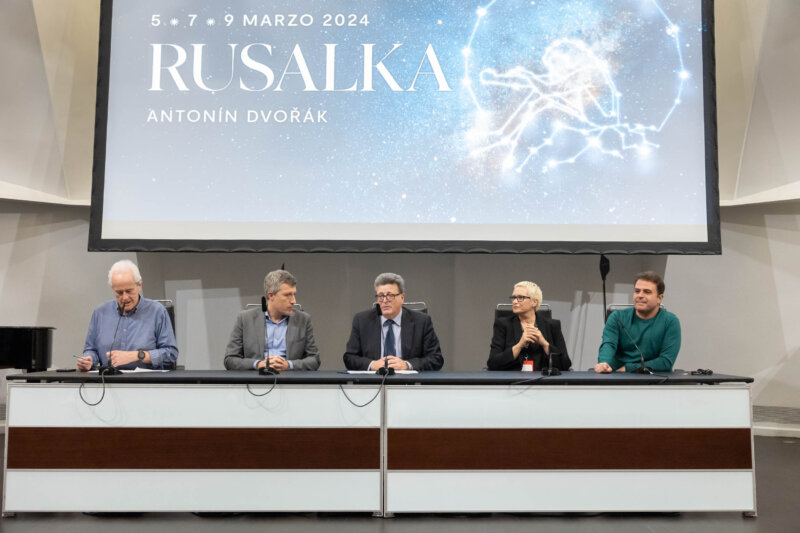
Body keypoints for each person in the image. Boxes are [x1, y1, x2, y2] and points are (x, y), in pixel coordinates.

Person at [77, 260, 178, 371]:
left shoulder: (157, 311)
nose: (125, 297)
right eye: (119, 292)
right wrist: (89, 360)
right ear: (113, 290)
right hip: (107, 382)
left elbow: (171, 353)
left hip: (146, 383)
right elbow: (91, 349)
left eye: (129, 291)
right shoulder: (100, 312)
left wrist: (137, 355)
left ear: (139, 285)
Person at [343, 273, 443, 371]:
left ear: (402, 298)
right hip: (373, 383)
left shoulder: (421, 322)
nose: (385, 300)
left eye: (390, 295)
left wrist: (407, 365)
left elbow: (436, 359)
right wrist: (372, 364)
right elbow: (350, 358)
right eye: (381, 296)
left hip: (408, 384)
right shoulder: (362, 321)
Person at [224, 269, 320, 371]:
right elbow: (230, 359)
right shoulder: (245, 319)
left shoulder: (303, 320)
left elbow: (314, 360)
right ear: (271, 295)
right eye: (287, 295)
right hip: (255, 382)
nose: (293, 301)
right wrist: (258, 364)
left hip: (290, 381)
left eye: (294, 294)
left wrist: (288, 365)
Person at [594, 271, 681, 373]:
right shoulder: (617, 317)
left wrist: (629, 369)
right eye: (637, 291)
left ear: (659, 298)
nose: (640, 295)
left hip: (652, 379)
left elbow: (666, 361)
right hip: (616, 374)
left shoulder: (670, 321)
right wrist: (604, 363)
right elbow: (608, 344)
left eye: (647, 292)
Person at [487, 281, 571, 371]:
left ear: (534, 302)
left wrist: (544, 343)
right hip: (512, 381)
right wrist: (519, 345)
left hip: (544, 381)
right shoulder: (503, 324)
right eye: (513, 297)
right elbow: (492, 363)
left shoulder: (553, 326)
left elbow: (565, 364)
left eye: (520, 297)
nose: (514, 301)